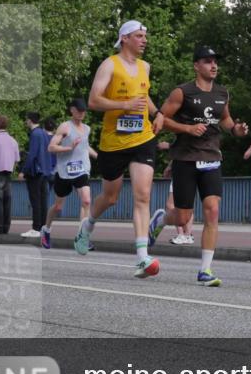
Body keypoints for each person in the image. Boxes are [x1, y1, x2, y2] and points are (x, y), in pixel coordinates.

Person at [148, 46, 248, 286]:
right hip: (186, 158)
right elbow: (161, 119)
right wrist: (187, 129)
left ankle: (205, 270)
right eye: (207, 61)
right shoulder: (182, 92)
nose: (213, 66)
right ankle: (161, 220)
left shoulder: (222, 93)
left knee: (212, 210)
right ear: (196, 66)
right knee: (182, 218)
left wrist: (236, 130)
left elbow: (224, 119)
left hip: (212, 157)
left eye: (215, 62)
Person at [74, 20, 165, 279]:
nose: (144, 40)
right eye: (139, 36)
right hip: (113, 142)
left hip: (142, 138)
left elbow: (143, 96)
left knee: (143, 195)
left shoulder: (145, 67)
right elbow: (93, 100)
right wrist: (123, 105)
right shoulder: (109, 64)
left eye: (145, 36)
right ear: (124, 38)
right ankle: (87, 226)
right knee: (110, 197)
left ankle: (142, 257)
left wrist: (156, 112)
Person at [40, 99, 98, 251]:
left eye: (84, 111)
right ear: (72, 110)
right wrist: (69, 148)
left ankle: (82, 237)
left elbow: (85, 147)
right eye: (78, 110)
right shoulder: (65, 127)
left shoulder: (87, 128)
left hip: (82, 169)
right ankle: (46, 230)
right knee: (58, 207)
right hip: (64, 171)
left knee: (86, 201)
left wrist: (100, 157)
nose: (81, 113)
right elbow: (51, 147)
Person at [20, 112, 52, 238]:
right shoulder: (44, 133)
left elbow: (32, 154)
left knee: (35, 201)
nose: (26, 122)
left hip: (35, 172)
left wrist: (23, 170)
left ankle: (36, 228)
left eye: (26, 119)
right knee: (43, 200)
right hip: (45, 171)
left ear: (30, 120)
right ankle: (44, 227)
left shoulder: (35, 134)